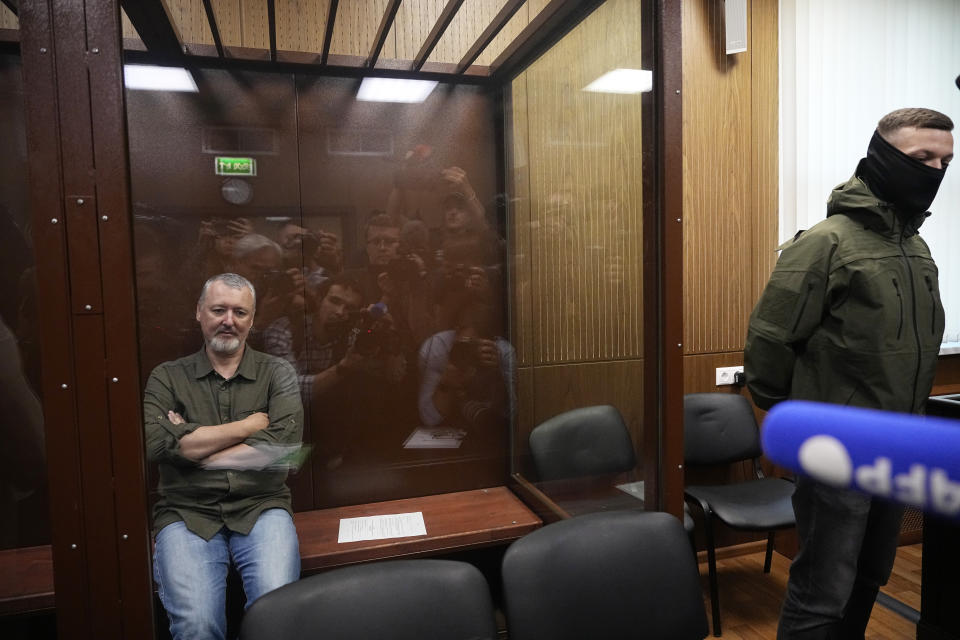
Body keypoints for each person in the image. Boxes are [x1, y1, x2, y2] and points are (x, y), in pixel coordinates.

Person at [744, 108, 953, 639]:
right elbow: (771, 342)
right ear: (882, 156)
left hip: (899, 442)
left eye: (945, 161)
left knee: (870, 576)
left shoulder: (915, 247)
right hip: (837, 449)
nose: (936, 171)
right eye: (922, 158)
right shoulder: (826, 242)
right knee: (822, 591)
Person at [143, 273, 303, 640]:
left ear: (252, 319)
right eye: (218, 309)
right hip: (187, 512)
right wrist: (248, 426)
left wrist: (193, 442)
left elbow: (281, 449)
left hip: (261, 506)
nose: (228, 320)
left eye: (239, 312)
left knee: (277, 618)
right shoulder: (166, 377)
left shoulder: (277, 373)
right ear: (199, 312)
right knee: (198, 626)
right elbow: (157, 445)